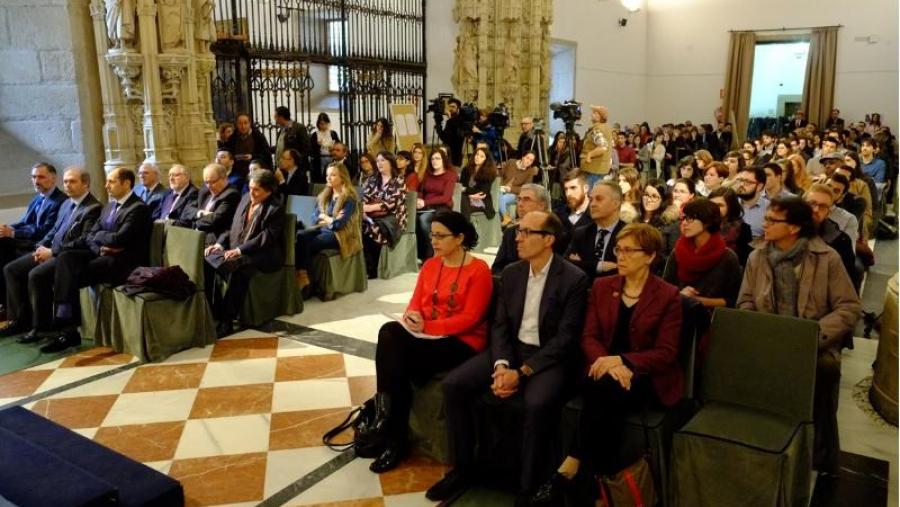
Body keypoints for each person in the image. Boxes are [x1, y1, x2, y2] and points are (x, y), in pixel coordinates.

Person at [428, 211, 589, 504]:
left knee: (537, 402)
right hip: (511, 350)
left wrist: (523, 371)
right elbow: (499, 325)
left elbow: (566, 339)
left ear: (549, 239)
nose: (519, 237)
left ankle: (527, 487)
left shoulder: (573, 279)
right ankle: (462, 469)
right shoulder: (513, 273)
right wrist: (502, 365)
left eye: (528, 232)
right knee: (454, 385)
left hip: (547, 358)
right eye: (518, 230)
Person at [532, 223, 683, 506]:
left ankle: (572, 466)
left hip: (645, 375)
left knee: (603, 388)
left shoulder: (667, 295)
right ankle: (595, 486)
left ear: (650, 256)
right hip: (601, 368)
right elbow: (588, 336)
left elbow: (666, 352)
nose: (620, 256)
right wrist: (607, 361)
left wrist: (622, 361)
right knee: (605, 387)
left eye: (629, 251)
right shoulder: (603, 286)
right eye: (618, 249)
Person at [737, 196, 860, 473]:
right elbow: (745, 300)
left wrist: (811, 336)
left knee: (823, 371)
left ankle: (815, 453)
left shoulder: (825, 258)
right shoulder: (758, 256)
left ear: (793, 228)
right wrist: (758, 327)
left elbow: (849, 306)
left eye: (772, 220)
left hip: (811, 345)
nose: (763, 224)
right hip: (767, 341)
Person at [369, 211, 493, 473]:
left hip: (462, 342)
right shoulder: (430, 265)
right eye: (432, 235)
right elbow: (416, 302)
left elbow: (470, 318)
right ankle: (389, 428)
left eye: (440, 236)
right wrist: (412, 316)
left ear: (459, 238)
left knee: (397, 362)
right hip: (426, 336)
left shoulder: (478, 270)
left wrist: (429, 326)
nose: (434, 240)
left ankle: (389, 432)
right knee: (389, 333)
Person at [48, 167, 152, 353]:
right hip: (106, 255)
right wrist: (101, 248)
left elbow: (120, 238)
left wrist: (102, 238)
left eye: (111, 181)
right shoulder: (110, 206)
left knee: (69, 277)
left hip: (125, 262)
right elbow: (90, 236)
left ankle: (66, 326)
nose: (106, 186)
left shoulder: (139, 208)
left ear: (126, 183)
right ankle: (67, 326)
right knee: (66, 258)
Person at [0, 167, 101, 341]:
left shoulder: (93, 207)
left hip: (67, 256)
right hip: (50, 251)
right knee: (12, 269)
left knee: (36, 275)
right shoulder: (67, 204)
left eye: (72, 181)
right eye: (66, 181)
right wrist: (40, 247)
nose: (67, 185)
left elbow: (84, 240)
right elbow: (54, 231)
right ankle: (20, 320)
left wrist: (52, 252)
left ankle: (42, 327)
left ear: (85, 184)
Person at [204, 169, 284, 338]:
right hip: (235, 248)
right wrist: (219, 244)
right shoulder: (245, 199)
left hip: (262, 254)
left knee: (237, 270)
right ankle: (214, 311)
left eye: (257, 190)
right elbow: (232, 227)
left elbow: (266, 239)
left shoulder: (275, 208)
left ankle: (227, 320)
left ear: (268, 191)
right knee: (207, 260)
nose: (252, 193)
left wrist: (239, 250)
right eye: (250, 188)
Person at [295, 163, 362, 292]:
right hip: (322, 229)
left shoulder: (349, 198)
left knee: (308, 244)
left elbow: (338, 225)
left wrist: (325, 217)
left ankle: (306, 281)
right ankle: (303, 275)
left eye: (333, 175)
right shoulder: (324, 195)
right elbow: (314, 218)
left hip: (341, 235)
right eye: (327, 175)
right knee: (300, 235)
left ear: (342, 177)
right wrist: (330, 218)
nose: (328, 178)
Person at [663, 198, 741, 309]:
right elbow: (665, 292)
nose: (684, 223)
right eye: (684, 218)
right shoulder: (678, 252)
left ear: (707, 222)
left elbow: (733, 300)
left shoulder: (728, 258)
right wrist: (680, 296)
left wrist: (696, 301)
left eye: (690, 219)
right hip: (679, 314)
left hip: (713, 318)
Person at [565, 181, 626, 280]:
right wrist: (599, 266)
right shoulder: (581, 233)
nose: (592, 204)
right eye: (591, 199)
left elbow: (624, 270)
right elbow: (567, 264)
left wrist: (582, 264)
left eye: (599, 199)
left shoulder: (629, 234)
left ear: (616, 203)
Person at [805, 184, 859, 291]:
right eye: (812, 204)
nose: (816, 210)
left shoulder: (841, 242)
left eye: (822, 206)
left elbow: (847, 286)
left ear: (828, 213)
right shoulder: (786, 231)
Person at [362, 152, 407, 279]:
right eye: (377, 161)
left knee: (372, 227)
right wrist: (363, 209)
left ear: (390, 162)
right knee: (360, 224)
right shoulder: (372, 179)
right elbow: (364, 197)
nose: (379, 163)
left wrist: (370, 207)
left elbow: (392, 204)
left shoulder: (399, 180)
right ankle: (363, 265)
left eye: (382, 160)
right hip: (372, 215)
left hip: (393, 218)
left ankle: (372, 268)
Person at [493, 184, 552, 274]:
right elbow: (497, 268)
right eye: (519, 199)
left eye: (527, 199)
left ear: (541, 205)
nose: (520, 204)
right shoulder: (510, 233)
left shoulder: (553, 233)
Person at [175, 163, 241, 240]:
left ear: (224, 179)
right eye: (206, 182)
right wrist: (201, 213)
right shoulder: (205, 191)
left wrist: (194, 222)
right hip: (195, 235)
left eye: (212, 182)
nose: (209, 186)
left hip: (212, 239)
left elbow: (215, 220)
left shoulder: (231, 194)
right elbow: (186, 211)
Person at [416, 149, 457, 260]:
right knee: (413, 219)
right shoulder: (427, 174)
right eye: (432, 159)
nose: (434, 161)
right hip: (426, 207)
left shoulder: (450, 175)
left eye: (437, 158)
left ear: (444, 160)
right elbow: (421, 190)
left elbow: (446, 197)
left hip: (442, 208)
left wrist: (425, 202)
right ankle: (422, 253)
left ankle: (432, 253)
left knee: (424, 219)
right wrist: (419, 200)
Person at [708, 187, 752, 265]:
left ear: (731, 206)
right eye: (711, 204)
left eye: (720, 205)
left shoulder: (743, 229)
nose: (714, 208)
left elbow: (744, 261)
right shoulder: (703, 226)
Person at [224, 113, 273, 180]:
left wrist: (252, 156)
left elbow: (266, 154)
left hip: (255, 172)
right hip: (238, 172)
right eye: (240, 123)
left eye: (245, 123)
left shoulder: (258, 137)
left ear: (250, 123)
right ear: (236, 124)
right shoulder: (233, 138)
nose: (243, 126)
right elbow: (228, 152)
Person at [553, 172, 593, 253]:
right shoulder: (558, 213)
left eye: (573, 188)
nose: (568, 194)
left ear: (585, 188)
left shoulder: (597, 215)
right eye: (566, 189)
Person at [579, 105, 615, 189]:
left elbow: (602, 147)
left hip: (593, 169)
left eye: (595, 113)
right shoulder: (606, 128)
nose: (592, 114)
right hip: (600, 169)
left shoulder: (597, 129)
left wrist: (589, 155)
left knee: (590, 194)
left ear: (600, 117)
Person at [498, 151, 538, 226]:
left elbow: (526, 188)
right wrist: (500, 185)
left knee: (502, 198)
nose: (528, 161)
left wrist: (511, 189)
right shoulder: (511, 162)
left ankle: (506, 217)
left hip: (516, 194)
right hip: (502, 189)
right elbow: (500, 174)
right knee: (498, 195)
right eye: (527, 158)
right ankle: (504, 219)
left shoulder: (530, 171)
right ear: (523, 157)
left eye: (531, 160)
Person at [459, 147, 498, 220]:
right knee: (461, 201)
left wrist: (466, 190)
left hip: (481, 202)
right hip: (467, 198)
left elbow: (482, 192)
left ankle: (465, 228)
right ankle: (466, 228)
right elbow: (461, 186)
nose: (477, 157)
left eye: (481, 156)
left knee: (462, 203)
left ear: (486, 160)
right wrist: (470, 195)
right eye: (477, 154)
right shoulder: (466, 169)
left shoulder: (489, 173)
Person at [734, 166, 768, 239]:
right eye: (740, 180)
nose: (741, 184)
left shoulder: (770, 208)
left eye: (747, 182)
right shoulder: (731, 204)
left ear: (759, 186)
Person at [273, 106, 311, 170]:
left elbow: (306, 148)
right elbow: (279, 147)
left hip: (295, 167)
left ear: (281, 117)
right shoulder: (281, 131)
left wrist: (296, 162)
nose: (275, 119)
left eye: (275, 117)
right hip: (282, 166)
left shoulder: (299, 128)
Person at [311, 112, 340, 183]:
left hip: (331, 157)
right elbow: (311, 149)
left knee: (330, 174)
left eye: (325, 123)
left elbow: (338, 145)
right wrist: (317, 145)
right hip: (320, 158)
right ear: (318, 124)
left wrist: (333, 148)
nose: (323, 126)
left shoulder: (333, 134)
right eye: (321, 124)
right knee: (320, 176)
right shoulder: (315, 135)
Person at [437, 98, 465, 167]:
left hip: (456, 153)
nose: (451, 108)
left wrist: (450, 119)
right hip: (447, 151)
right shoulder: (449, 120)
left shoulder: (461, 119)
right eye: (450, 106)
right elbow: (444, 137)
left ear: (458, 108)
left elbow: (458, 136)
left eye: (453, 107)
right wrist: (439, 125)